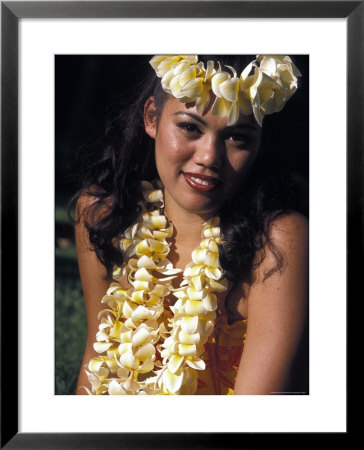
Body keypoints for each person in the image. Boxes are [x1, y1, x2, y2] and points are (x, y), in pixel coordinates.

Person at [73, 54, 308, 395]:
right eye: (190, 128)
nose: (209, 157)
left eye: (237, 137)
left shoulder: (277, 241)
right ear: (152, 118)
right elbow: (95, 364)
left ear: (259, 145)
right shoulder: (101, 214)